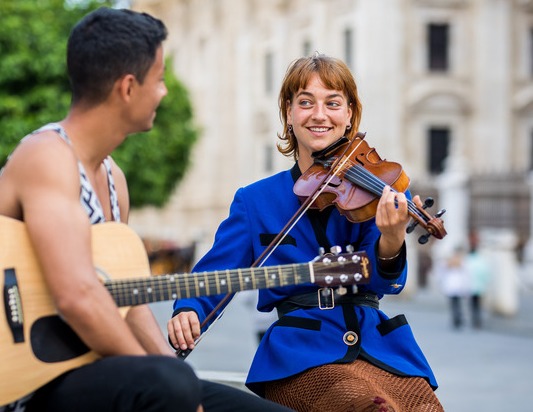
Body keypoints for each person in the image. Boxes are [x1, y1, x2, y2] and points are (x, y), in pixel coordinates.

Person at [0, 7, 292, 412]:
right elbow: (78, 296)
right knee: (169, 385)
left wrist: (175, 374)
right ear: (128, 87)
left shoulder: (114, 180)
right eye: (160, 78)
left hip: (94, 370)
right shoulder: (47, 156)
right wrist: (169, 381)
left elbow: (122, 300)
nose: (164, 92)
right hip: (29, 382)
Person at [167, 54, 442, 412]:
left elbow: (387, 283)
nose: (319, 114)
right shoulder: (255, 201)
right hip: (300, 356)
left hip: (381, 349)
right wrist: (189, 308)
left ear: (349, 116)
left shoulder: (380, 190)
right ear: (289, 112)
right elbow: (216, 273)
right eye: (306, 102)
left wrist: (391, 239)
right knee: (367, 407)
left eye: (333, 103)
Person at [436, 246, 469, 330]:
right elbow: (465, 277)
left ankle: (456, 320)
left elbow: (442, 276)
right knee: (458, 305)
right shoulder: (461, 265)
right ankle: (459, 319)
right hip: (458, 288)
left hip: (451, 288)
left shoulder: (448, 265)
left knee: (453, 305)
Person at [464, 232, 491, 329]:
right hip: (479, 287)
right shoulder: (481, 260)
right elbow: (485, 273)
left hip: (471, 286)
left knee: (473, 305)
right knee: (478, 305)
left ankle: (475, 320)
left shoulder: (468, 260)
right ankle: (478, 321)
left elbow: (465, 273)